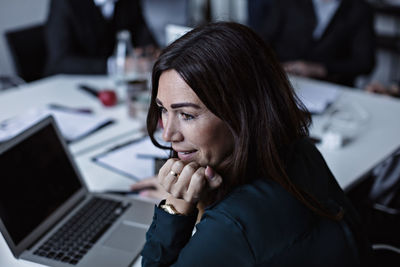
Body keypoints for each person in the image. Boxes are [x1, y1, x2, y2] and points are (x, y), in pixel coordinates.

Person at [133, 22, 372, 266]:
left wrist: (176, 205)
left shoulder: (232, 228)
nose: (167, 134)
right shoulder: (299, 148)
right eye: (163, 109)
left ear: (240, 114)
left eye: (187, 115)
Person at [252, 0, 375, 87]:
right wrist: (277, 67)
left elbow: (365, 63)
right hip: (284, 79)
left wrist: (320, 69)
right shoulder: (287, 2)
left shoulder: (360, 9)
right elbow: (262, 41)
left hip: (331, 86)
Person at [44, 0, 157, 75]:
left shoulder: (129, 2)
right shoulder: (64, 3)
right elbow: (59, 62)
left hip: (117, 86)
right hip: (68, 87)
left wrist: (149, 53)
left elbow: (145, 39)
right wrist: (117, 66)